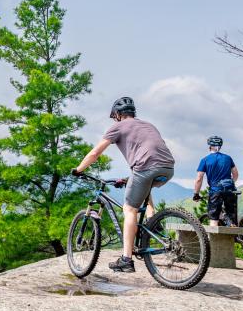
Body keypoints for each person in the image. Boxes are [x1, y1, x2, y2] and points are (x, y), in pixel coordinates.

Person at [72, 96, 175, 273]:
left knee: (129, 209)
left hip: (145, 168)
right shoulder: (148, 125)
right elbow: (152, 153)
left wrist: (79, 169)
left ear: (118, 115)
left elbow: (96, 152)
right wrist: (129, 179)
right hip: (167, 168)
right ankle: (153, 221)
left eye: (115, 116)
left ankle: (126, 259)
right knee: (145, 189)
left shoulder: (118, 127)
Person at [193, 135, 239, 227]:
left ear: (209, 146)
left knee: (214, 219)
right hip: (230, 190)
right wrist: (231, 184)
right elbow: (236, 174)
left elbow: (199, 179)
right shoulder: (228, 158)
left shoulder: (205, 160)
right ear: (220, 146)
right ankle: (232, 228)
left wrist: (196, 194)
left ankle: (212, 240)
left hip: (215, 191)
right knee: (232, 217)